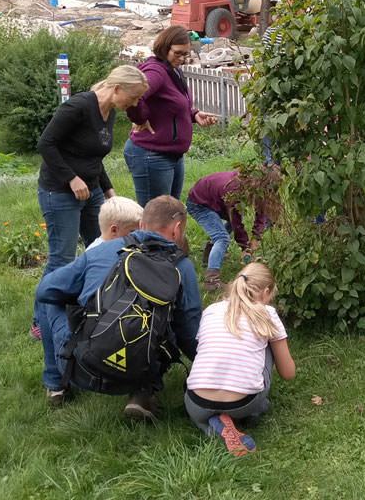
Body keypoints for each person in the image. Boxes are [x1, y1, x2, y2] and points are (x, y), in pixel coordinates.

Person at [34, 196, 202, 419]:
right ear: (177, 229)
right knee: (166, 317)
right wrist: (207, 368)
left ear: (141, 224)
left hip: (85, 367)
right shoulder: (182, 267)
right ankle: (143, 391)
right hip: (141, 369)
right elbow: (189, 331)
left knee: (50, 301)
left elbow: (44, 290)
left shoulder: (104, 250)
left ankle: (57, 385)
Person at [37, 64, 147, 276]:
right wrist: (71, 178)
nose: (134, 103)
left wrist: (109, 191)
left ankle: (91, 301)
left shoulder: (109, 112)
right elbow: (46, 144)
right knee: (63, 258)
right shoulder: (79, 106)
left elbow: (93, 156)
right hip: (60, 191)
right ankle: (46, 309)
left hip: (92, 191)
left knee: (101, 249)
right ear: (117, 88)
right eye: (133, 97)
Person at [184, 262, 296, 456]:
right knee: (268, 347)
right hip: (243, 403)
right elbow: (288, 373)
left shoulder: (211, 309)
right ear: (266, 292)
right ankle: (254, 410)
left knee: (201, 416)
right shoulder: (266, 313)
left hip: (196, 401)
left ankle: (213, 428)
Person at [124, 25, 218, 205]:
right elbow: (133, 94)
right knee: (155, 217)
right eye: (178, 53)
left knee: (170, 213)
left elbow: (170, 105)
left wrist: (193, 114)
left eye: (186, 54)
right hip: (152, 154)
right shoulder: (156, 72)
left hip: (172, 155)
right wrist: (140, 118)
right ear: (164, 47)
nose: (182, 59)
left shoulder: (173, 69)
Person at [186, 167, 281, 291]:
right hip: (199, 203)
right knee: (222, 238)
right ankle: (211, 281)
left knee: (230, 225)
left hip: (215, 200)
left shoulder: (253, 187)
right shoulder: (236, 190)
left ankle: (209, 255)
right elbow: (236, 223)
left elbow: (261, 211)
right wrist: (245, 247)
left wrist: (255, 237)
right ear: (262, 184)